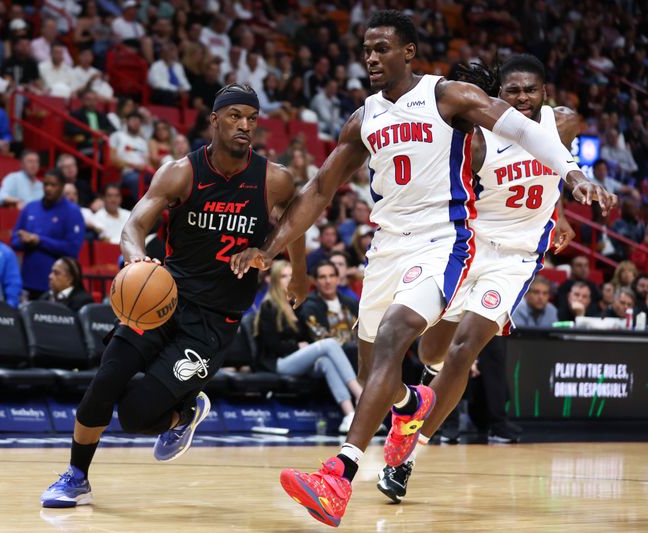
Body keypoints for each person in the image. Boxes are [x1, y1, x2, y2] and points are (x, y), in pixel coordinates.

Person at [230, 11, 614, 527]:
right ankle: (412, 404)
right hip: (386, 247)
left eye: (382, 48)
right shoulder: (363, 117)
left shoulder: (447, 96)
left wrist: (571, 176)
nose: (370, 57)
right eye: (366, 49)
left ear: (408, 53)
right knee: (374, 378)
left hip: (446, 240)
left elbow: (525, 131)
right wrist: (270, 248)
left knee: (404, 338)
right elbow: (320, 190)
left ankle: (337, 477)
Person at [40, 84, 307, 508]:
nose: (245, 125)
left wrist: (297, 275)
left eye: (252, 119)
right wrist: (137, 261)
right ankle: (76, 476)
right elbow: (133, 227)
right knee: (105, 383)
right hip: (163, 301)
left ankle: (184, 412)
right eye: (235, 116)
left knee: (134, 416)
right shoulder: (181, 171)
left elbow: (296, 222)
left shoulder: (273, 179)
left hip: (214, 322)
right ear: (215, 120)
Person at [376, 54, 603, 501]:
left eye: (529, 91)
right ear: (498, 94)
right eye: (512, 91)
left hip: (515, 259)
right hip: (468, 245)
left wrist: (557, 214)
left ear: (544, 93)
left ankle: (408, 456)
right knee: (433, 349)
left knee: (465, 348)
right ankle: (422, 394)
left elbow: (553, 164)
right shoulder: (477, 137)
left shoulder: (565, 123)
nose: (520, 98)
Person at [255, 261, 362, 433]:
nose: (289, 280)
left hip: (299, 360)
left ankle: (349, 415)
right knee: (329, 344)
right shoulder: (269, 306)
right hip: (278, 363)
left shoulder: (296, 305)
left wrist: (302, 346)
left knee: (326, 360)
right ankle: (360, 395)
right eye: (284, 276)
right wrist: (297, 346)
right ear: (275, 280)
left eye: (292, 275)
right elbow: (272, 344)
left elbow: (306, 337)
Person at [12, 171, 85, 300]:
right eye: (46, 184)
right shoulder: (30, 207)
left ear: (62, 186)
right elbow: (14, 240)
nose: (48, 188)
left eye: (53, 185)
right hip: (29, 281)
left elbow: (72, 248)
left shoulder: (72, 212)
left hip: (58, 285)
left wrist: (39, 240)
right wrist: (25, 240)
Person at [108, 111, 149, 200]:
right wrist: (134, 166)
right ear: (126, 121)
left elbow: (147, 161)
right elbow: (113, 159)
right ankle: (142, 209)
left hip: (143, 172)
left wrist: (143, 166)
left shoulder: (142, 142)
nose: (136, 123)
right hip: (125, 173)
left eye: (138, 122)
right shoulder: (117, 136)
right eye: (133, 120)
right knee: (136, 179)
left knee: (159, 178)